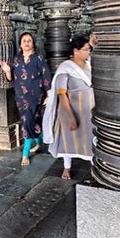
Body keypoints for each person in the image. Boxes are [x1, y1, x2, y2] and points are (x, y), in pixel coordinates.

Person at [43, 35, 94, 179]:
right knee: (68, 141)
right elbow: (62, 94)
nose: (88, 52)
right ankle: (67, 167)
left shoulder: (88, 65)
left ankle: (94, 165)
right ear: (76, 51)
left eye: (89, 50)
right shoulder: (65, 68)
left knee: (89, 138)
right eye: (86, 50)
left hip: (88, 109)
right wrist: (71, 116)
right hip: (70, 110)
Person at [0, 32, 51, 166]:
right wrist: (7, 71)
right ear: (20, 44)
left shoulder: (38, 58)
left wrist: (49, 94)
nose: (27, 43)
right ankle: (39, 142)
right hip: (21, 97)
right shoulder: (17, 60)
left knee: (28, 122)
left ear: (33, 43)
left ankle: (25, 154)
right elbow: (11, 79)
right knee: (30, 122)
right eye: (24, 40)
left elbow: (46, 76)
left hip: (36, 96)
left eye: (29, 40)